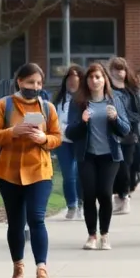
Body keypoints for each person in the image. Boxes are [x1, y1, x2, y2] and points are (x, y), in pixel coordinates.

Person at [0, 63, 63, 278]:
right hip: (9, 172)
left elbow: (57, 137)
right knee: (15, 222)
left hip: (39, 170)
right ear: (19, 81)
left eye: (39, 83)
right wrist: (13, 131)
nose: (35, 87)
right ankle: (18, 266)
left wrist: (44, 139)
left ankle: (42, 268)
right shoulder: (5, 105)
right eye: (30, 82)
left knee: (37, 218)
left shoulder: (47, 108)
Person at [65, 62, 131, 250]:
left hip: (110, 156)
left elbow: (125, 129)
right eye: (91, 77)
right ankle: (92, 235)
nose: (94, 81)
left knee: (105, 193)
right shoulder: (78, 102)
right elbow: (70, 132)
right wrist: (82, 122)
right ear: (86, 81)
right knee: (89, 194)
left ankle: (105, 234)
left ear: (104, 80)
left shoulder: (115, 100)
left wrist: (115, 119)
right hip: (87, 155)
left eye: (98, 77)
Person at [107, 57, 140, 214]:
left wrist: (123, 118)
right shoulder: (107, 90)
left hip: (128, 135)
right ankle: (118, 198)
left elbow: (139, 114)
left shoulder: (131, 91)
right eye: (116, 69)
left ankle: (125, 196)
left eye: (121, 69)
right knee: (115, 168)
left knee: (125, 167)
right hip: (110, 135)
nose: (119, 72)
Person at [53, 65, 83, 219]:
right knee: (68, 174)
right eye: (69, 79)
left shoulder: (84, 99)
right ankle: (72, 204)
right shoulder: (59, 98)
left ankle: (81, 203)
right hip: (62, 141)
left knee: (79, 174)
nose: (71, 82)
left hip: (79, 140)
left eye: (74, 79)